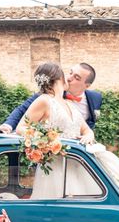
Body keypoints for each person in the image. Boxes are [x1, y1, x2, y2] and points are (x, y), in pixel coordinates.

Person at [16, 63, 96, 199]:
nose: (69, 78)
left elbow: (87, 130)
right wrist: (47, 141)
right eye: (67, 74)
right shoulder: (44, 101)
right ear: (59, 78)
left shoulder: (69, 104)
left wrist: (88, 136)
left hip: (77, 165)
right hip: (55, 168)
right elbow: (21, 128)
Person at [0, 62, 102, 133]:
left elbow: (89, 125)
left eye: (76, 78)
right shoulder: (46, 97)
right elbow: (22, 110)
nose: (69, 78)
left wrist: (88, 134)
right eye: (70, 73)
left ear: (87, 86)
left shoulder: (96, 98)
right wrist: (7, 126)